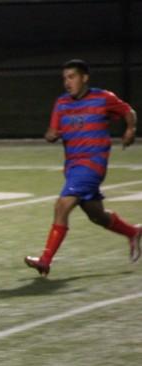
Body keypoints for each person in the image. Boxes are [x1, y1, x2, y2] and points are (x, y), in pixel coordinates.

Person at [25, 59, 140, 276]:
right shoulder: (61, 103)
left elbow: (128, 112)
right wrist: (51, 135)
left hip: (92, 164)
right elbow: (51, 132)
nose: (67, 83)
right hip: (73, 167)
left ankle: (45, 260)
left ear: (84, 78)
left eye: (72, 77)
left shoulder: (102, 98)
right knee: (96, 215)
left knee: (62, 205)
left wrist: (130, 129)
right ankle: (133, 232)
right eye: (65, 78)